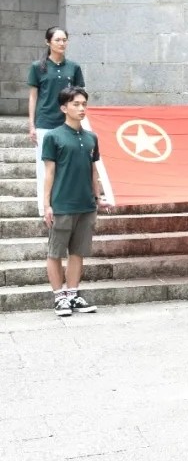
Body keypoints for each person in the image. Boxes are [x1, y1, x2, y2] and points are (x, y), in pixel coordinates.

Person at [41, 86, 107, 316]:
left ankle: (73, 295)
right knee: (55, 253)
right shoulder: (53, 136)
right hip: (62, 205)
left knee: (78, 252)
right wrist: (46, 205)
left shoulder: (91, 138)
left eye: (84, 104)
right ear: (64, 108)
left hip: (86, 205)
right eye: (76, 104)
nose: (81, 108)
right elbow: (49, 173)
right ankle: (59, 297)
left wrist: (98, 197)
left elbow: (93, 171)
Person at [29, 27, 85, 217]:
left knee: (66, 166)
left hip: (68, 124)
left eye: (64, 40)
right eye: (58, 40)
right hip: (45, 122)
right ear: (48, 42)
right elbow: (33, 96)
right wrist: (31, 125)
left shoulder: (74, 67)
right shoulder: (37, 67)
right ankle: (44, 208)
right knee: (44, 168)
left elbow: (80, 97)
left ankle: (63, 206)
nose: (62, 43)